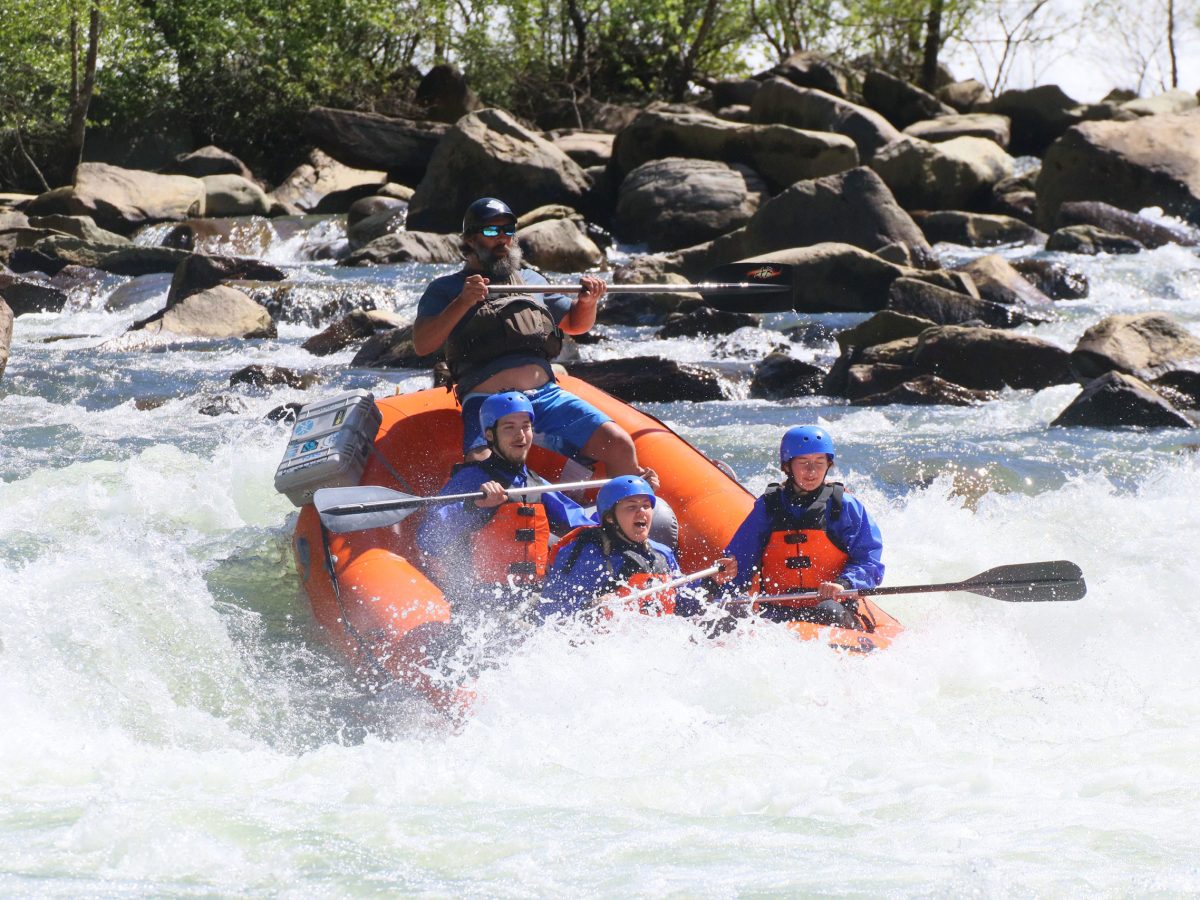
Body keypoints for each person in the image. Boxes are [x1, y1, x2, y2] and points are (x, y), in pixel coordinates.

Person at [411, 197, 651, 480]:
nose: (502, 238)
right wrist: (462, 302)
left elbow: (575, 325)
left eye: (508, 230)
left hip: (546, 396)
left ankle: (619, 517)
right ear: (469, 240)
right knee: (482, 468)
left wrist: (588, 303)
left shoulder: (530, 278)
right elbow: (422, 344)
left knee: (620, 445)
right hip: (488, 401)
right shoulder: (447, 288)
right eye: (491, 231)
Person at [416, 391, 596, 610]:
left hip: (531, 597)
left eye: (525, 426)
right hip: (482, 603)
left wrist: (624, 502)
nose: (520, 435)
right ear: (490, 435)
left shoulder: (535, 482)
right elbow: (428, 537)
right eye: (509, 427)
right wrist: (473, 507)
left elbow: (580, 523)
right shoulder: (472, 478)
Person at [722, 425, 884, 629]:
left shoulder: (845, 507)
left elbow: (869, 562)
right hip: (776, 611)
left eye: (819, 462)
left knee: (829, 610)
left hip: (833, 609)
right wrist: (720, 580)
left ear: (828, 465)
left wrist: (844, 584)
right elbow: (741, 559)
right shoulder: (768, 507)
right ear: (788, 466)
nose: (812, 471)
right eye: (803, 462)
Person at [539, 475, 736, 619]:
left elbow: (680, 602)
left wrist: (711, 582)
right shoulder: (586, 553)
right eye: (631, 507)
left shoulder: (662, 553)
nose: (641, 512)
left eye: (646, 506)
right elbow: (551, 610)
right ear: (609, 517)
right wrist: (592, 606)